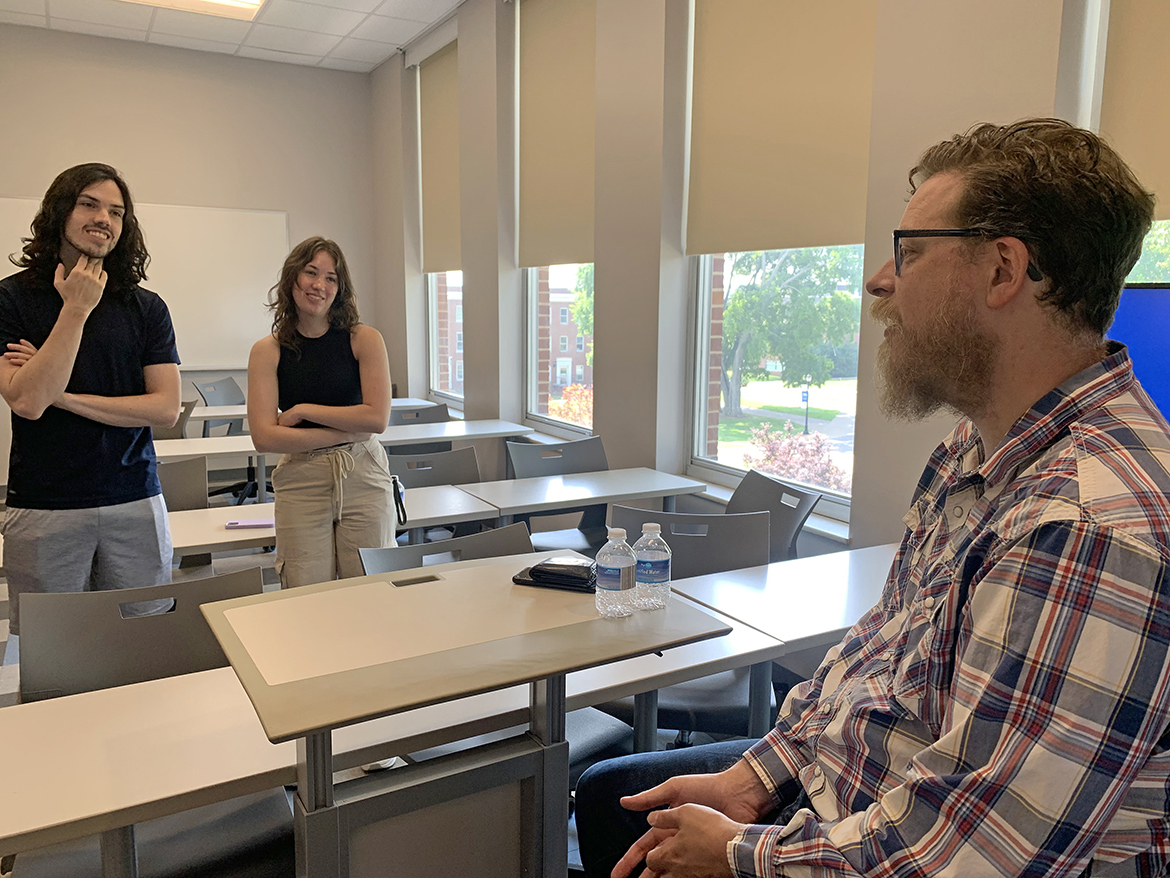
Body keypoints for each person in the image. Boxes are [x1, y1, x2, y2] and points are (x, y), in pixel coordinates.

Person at [576, 119, 1170, 878]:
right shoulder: (973, 451)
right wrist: (752, 781)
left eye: (911, 253)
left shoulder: (1087, 524)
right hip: (862, 796)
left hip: (936, 850)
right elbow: (879, 657)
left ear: (1002, 271)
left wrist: (738, 855)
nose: (878, 281)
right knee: (612, 798)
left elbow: (977, 854)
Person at [0, 163, 182, 666]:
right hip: (45, 505)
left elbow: (164, 408)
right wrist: (76, 308)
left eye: (117, 211)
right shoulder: (10, 298)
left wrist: (64, 396)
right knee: (52, 655)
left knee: (141, 649)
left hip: (135, 498)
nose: (104, 218)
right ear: (61, 210)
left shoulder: (146, 308)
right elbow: (27, 400)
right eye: (89, 203)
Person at [247, 236, 395, 589]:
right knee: (304, 589)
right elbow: (265, 437)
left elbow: (376, 420)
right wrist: (347, 429)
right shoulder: (267, 351)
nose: (319, 285)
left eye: (331, 277)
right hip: (301, 477)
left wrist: (302, 410)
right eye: (311, 272)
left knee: (371, 583)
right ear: (291, 279)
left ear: (340, 288)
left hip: (362, 472)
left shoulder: (365, 339)